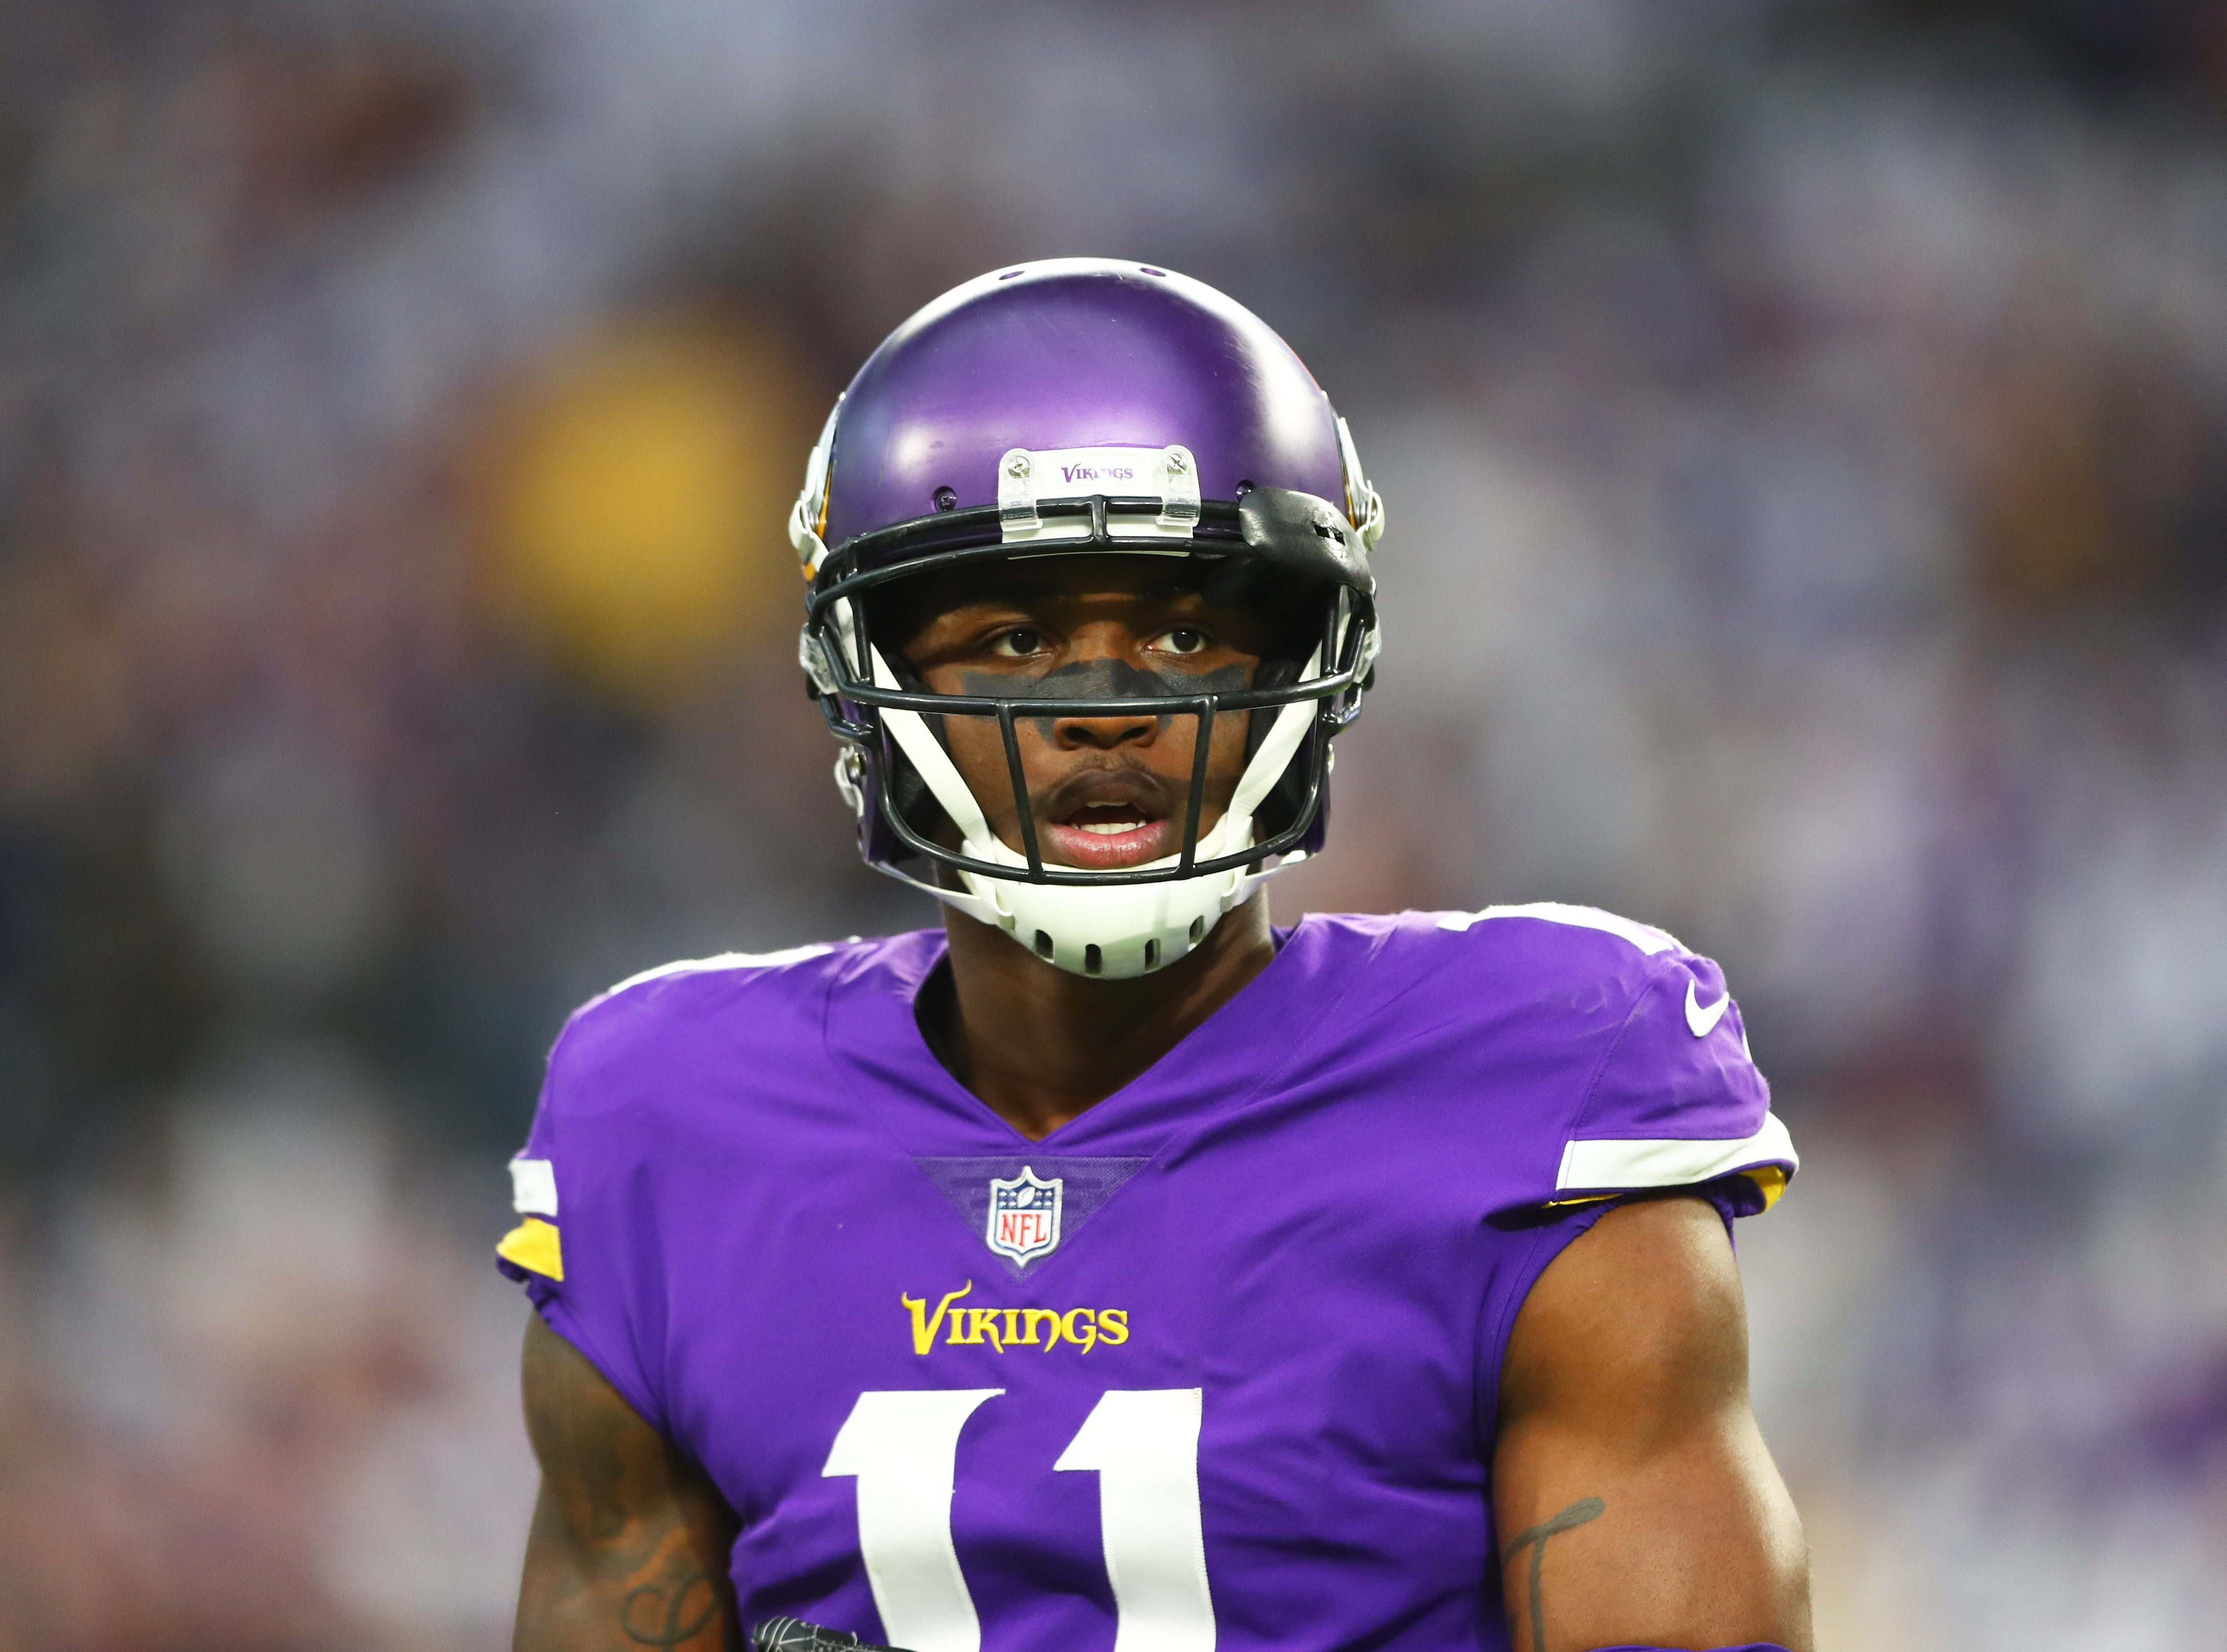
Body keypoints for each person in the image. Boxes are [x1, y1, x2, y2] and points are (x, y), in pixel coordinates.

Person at [499, 259, 1810, 1652]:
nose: (1105, 705)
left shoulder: (1545, 1073)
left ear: (1312, 661)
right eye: (1011, 638)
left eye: (1184, 632)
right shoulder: (671, 1116)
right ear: (861, 678)